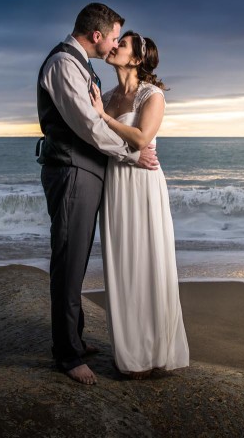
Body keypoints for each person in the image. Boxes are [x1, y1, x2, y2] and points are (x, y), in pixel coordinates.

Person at [37, 3, 159, 386]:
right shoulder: (62, 64)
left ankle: (74, 337)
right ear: (97, 35)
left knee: (77, 256)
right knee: (69, 258)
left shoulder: (80, 65)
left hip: (86, 170)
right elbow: (88, 126)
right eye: (113, 37)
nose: (112, 45)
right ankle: (67, 354)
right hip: (72, 169)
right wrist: (131, 153)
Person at [89, 30, 190, 379]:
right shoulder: (106, 95)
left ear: (136, 59)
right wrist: (101, 115)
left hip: (144, 184)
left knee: (147, 259)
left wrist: (103, 117)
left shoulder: (153, 95)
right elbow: (100, 142)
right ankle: (131, 354)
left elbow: (143, 138)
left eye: (123, 44)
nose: (114, 46)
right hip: (116, 183)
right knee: (122, 262)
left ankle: (156, 351)